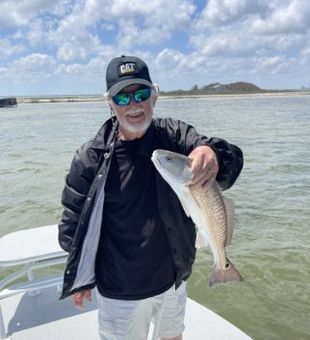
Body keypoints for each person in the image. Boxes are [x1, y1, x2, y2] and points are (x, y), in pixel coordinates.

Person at [58, 55, 243, 340]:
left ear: (154, 97)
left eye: (141, 93)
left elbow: (230, 162)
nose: (134, 104)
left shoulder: (175, 137)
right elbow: (72, 220)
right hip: (120, 289)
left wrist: (215, 154)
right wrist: (80, 278)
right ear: (109, 102)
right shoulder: (89, 158)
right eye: (123, 97)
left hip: (173, 280)